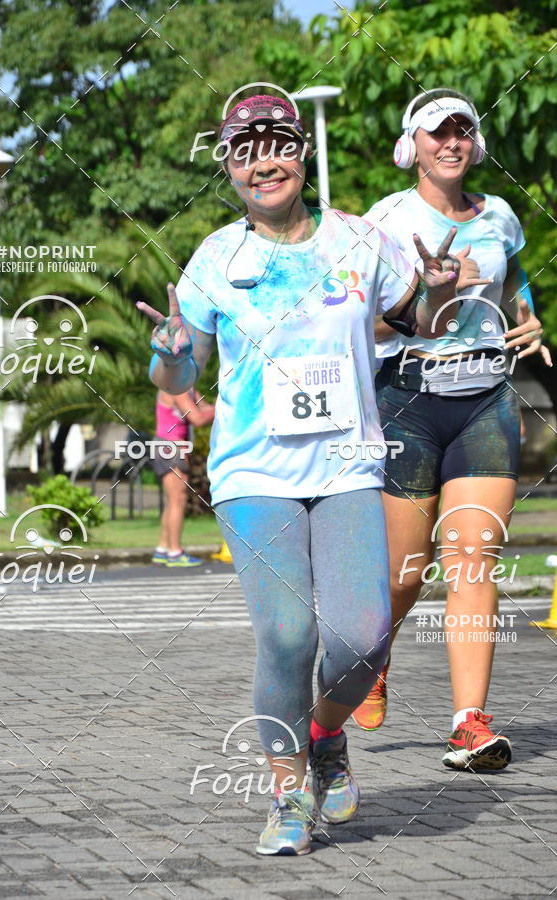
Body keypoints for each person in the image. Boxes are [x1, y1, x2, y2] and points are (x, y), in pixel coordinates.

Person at [138, 93, 475, 856]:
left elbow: (413, 318)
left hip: (350, 465)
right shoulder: (217, 260)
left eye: (277, 144)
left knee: (361, 639)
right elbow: (174, 371)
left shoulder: (361, 241)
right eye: (244, 150)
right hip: (255, 473)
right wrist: (167, 351)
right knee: (288, 635)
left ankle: (325, 736)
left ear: (300, 153)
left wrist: (441, 293)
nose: (263, 160)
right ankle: (290, 795)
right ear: (227, 166)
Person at [351, 88, 551, 772]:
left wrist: (530, 318)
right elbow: (358, 324)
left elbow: (515, 285)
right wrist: (426, 302)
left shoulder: (499, 217)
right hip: (407, 400)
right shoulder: (384, 222)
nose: (452, 142)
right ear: (414, 145)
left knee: (473, 558)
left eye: (463, 130)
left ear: (476, 143)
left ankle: (469, 723)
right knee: (405, 575)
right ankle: (374, 659)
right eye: (438, 132)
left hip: (485, 401)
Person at [152, 388, 214, 567]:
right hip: (170, 446)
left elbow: (204, 407)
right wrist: (222, 408)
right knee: (178, 500)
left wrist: (218, 406)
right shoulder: (176, 387)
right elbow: (198, 418)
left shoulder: (189, 389)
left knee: (173, 500)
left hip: (171, 445)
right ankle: (175, 552)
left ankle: (163, 549)